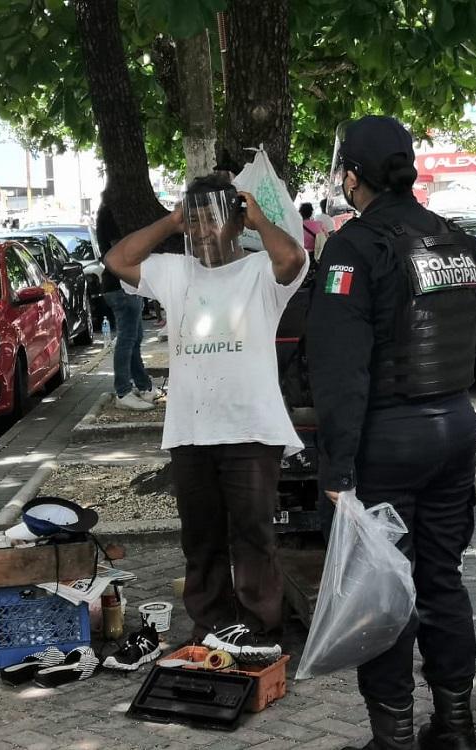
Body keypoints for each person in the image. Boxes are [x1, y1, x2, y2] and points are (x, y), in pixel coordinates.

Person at [307, 115, 476, 750]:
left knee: (384, 589)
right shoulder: (458, 242)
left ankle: (395, 738)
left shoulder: (353, 248)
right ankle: (457, 726)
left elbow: (338, 369)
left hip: (387, 442)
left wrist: (338, 468)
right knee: (442, 578)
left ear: (353, 176)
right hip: (457, 429)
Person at [104, 174, 307, 661]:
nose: (199, 231)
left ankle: (259, 629)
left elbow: (293, 259)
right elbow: (118, 260)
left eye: (209, 219)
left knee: (254, 535)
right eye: (191, 222)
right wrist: (173, 219)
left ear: (237, 221)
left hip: (252, 428)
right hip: (192, 429)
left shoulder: (260, 270)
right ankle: (212, 625)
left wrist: (255, 215)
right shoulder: (176, 272)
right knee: (201, 537)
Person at [95, 191, 156, 411]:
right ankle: (123, 390)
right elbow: (124, 251)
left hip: (124, 284)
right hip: (119, 285)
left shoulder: (109, 212)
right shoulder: (111, 214)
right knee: (128, 338)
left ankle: (144, 385)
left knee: (134, 337)